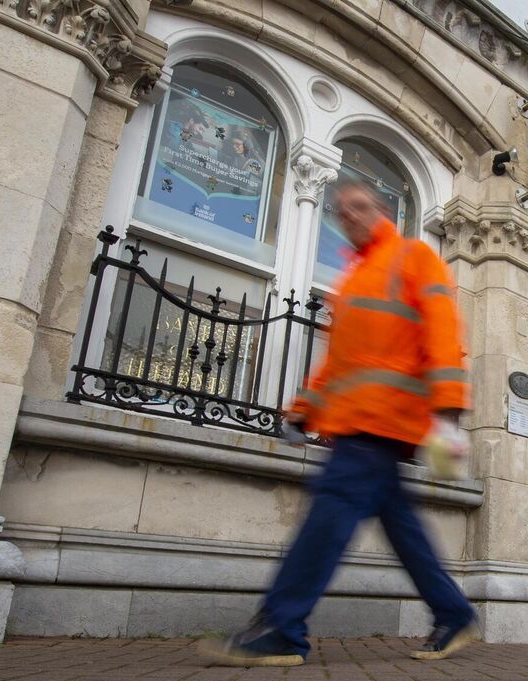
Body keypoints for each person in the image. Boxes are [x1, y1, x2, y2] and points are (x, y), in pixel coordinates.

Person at [197, 179, 478, 667]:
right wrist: (303, 406)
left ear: (382, 209)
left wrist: (446, 411)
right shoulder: (353, 280)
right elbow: (339, 362)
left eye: (359, 206)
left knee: (326, 520)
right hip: (357, 424)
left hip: (382, 423)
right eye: (341, 211)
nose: (349, 216)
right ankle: (453, 612)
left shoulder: (412, 257)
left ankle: (282, 628)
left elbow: (443, 330)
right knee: (402, 527)